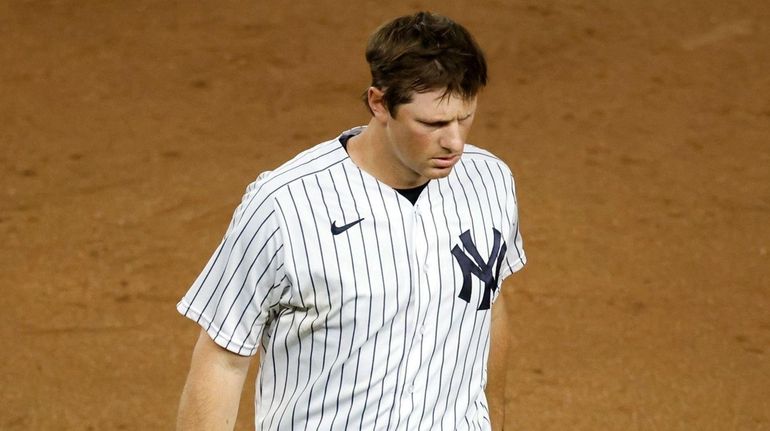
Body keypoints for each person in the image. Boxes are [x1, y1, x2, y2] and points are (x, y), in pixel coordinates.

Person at [176, 11, 526, 431]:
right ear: (380, 103)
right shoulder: (286, 205)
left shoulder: (490, 181)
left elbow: (489, 306)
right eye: (432, 123)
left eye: (464, 118)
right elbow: (223, 360)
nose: (454, 141)